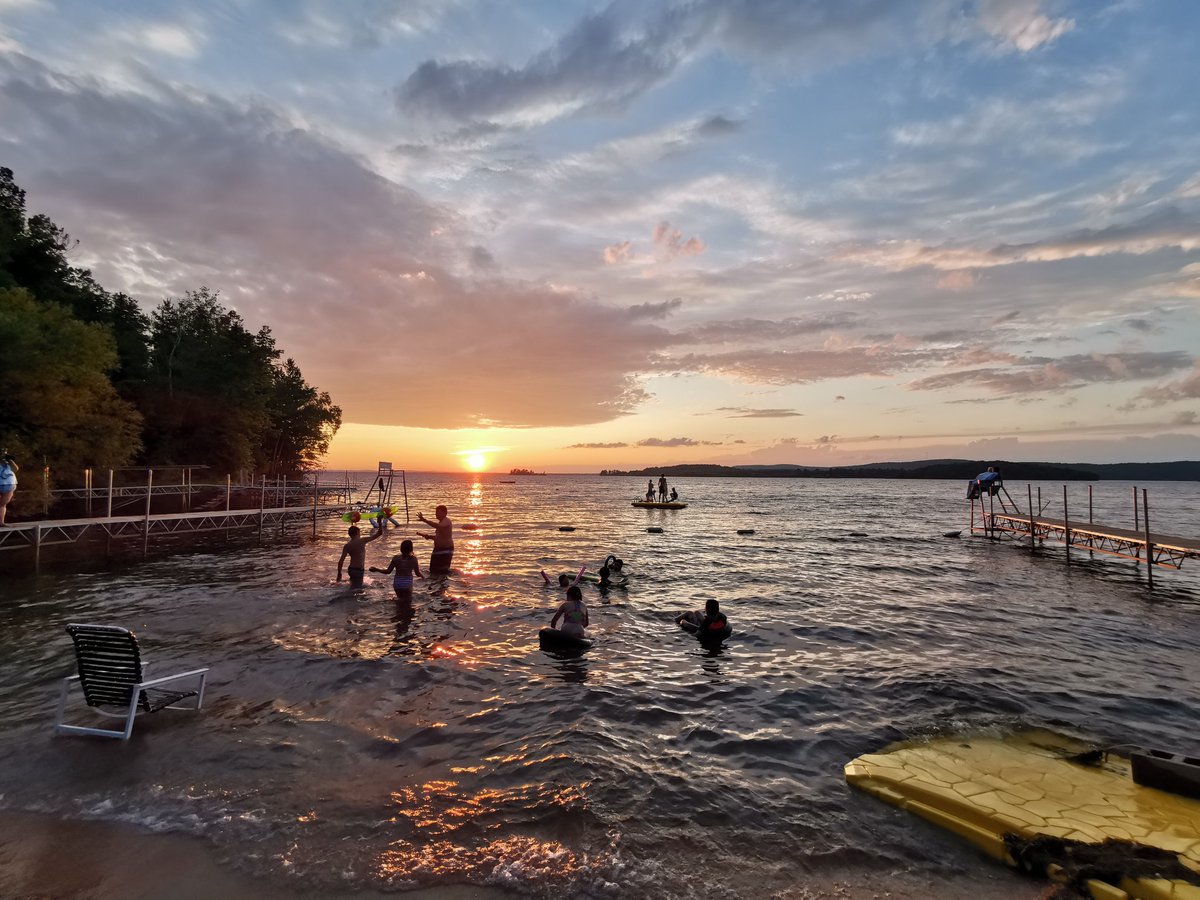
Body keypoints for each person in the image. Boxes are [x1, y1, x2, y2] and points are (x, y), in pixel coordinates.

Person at [417, 504, 454, 575]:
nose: (436, 514)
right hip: (438, 549)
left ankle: (442, 584)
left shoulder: (446, 521)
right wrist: (429, 537)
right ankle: (436, 584)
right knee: (433, 570)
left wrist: (424, 520)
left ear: (444, 513)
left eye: (437, 512)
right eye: (436, 512)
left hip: (446, 549)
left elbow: (438, 526)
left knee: (443, 571)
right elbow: (440, 537)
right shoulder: (442, 522)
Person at [0, 449, 17, 526]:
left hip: (9, 484)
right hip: (5, 483)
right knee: (2, 505)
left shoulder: (8, 463)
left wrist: (9, 460)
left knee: (2, 504)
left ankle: (1, 522)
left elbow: (16, 469)